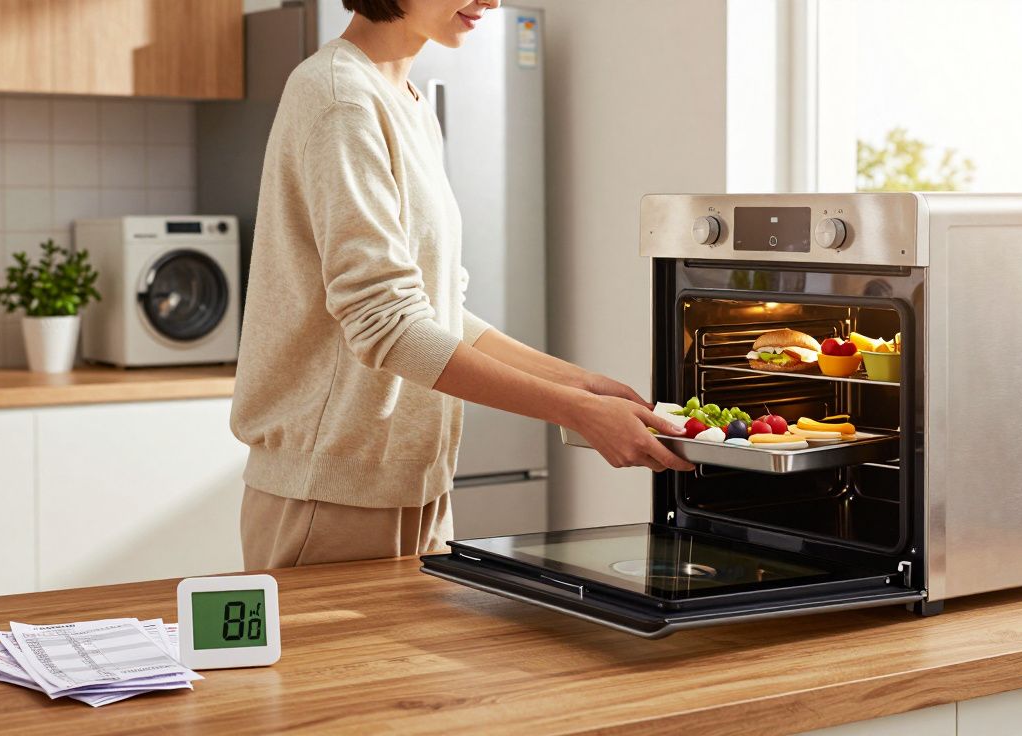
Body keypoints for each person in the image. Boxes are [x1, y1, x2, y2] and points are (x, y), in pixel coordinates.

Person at [230, 0, 693, 570]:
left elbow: (436, 310)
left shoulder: (408, 102)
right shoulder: (338, 98)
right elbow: (387, 325)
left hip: (417, 487)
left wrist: (586, 387)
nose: (492, 1)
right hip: (331, 497)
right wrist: (574, 411)